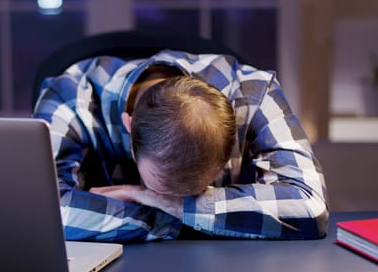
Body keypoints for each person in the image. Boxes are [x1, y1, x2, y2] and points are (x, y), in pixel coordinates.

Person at [32, 49, 329, 241]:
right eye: (161, 190)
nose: (176, 200)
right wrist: (181, 220)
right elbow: (41, 213)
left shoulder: (253, 95)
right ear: (129, 125)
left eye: (196, 194)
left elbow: (309, 205)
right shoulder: (71, 97)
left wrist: (167, 203)